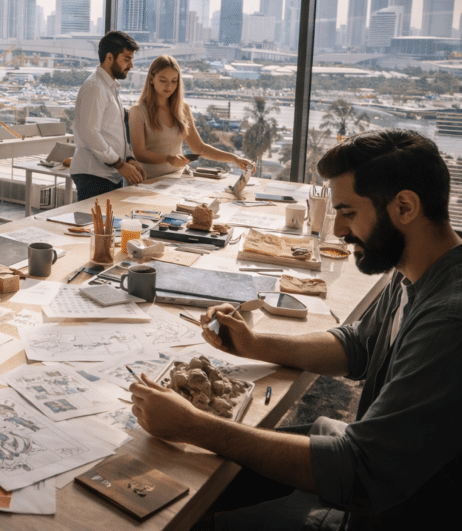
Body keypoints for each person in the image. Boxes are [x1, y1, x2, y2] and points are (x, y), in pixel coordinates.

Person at [130, 129, 462, 530]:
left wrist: (194, 426)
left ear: (405, 206)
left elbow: (360, 471)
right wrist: (256, 344)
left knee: (191, 503)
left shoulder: (449, 322)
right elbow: (358, 346)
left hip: (390, 510)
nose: (337, 230)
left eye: (349, 212)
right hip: (373, 474)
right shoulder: (415, 265)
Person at [128, 55, 252, 179]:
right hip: (148, 181)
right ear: (151, 79)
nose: (169, 87)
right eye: (163, 80)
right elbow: (139, 153)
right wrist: (168, 159)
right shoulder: (138, 111)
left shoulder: (183, 109)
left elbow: (199, 148)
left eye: (174, 81)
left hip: (176, 179)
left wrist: (235, 159)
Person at [70, 31, 146, 200]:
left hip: (108, 174)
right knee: (93, 226)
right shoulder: (95, 87)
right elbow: (91, 133)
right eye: (126, 59)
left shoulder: (109, 87)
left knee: (107, 226)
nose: (131, 65)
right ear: (110, 58)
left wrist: (129, 159)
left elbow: (116, 134)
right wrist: (120, 164)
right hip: (94, 175)